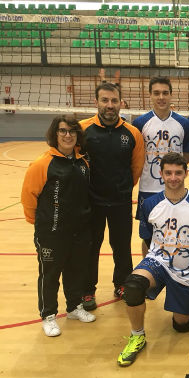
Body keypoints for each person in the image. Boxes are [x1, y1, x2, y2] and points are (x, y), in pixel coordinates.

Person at [117, 152, 189, 367]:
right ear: (161, 174)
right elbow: (147, 237)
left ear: (186, 173)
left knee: (181, 325)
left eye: (178, 173)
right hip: (158, 262)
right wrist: (147, 267)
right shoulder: (150, 203)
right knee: (133, 286)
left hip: (185, 270)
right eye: (168, 173)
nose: (173, 178)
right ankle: (137, 336)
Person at [21, 115, 96, 337]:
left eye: (72, 131)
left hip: (79, 230)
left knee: (76, 270)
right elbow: (29, 197)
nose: (67, 135)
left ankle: (74, 307)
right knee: (50, 274)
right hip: (51, 233)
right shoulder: (43, 164)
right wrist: (42, 226)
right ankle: (48, 315)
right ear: (55, 134)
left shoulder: (83, 163)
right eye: (63, 131)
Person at [80, 82, 145, 311]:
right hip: (91, 202)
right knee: (90, 246)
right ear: (96, 102)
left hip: (120, 200)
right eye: (105, 100)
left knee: (121, 246)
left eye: (114, 101)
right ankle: (87, 290)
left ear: (121, 103)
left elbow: (136, 168)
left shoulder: (132, 133)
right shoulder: (82, 130)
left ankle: (122, 284)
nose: (110, 105)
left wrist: (123, 187)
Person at [132, 77, 189, 258]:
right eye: (157, 93)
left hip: (174, 188)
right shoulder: (140, 123)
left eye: (165, 93)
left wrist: (175, 175)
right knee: (148, 235)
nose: (161, 97)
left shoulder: (183, 123)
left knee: (174, 232)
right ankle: (148, 271)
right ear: (150, 95)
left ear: (171, 95)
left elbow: (188, 154)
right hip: (148, 188)